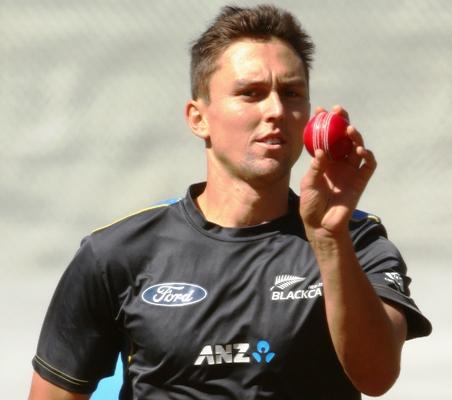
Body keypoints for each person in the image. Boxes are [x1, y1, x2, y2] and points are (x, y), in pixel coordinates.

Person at [28, 4, 431, 400]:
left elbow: (376, 377)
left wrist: (328, 240)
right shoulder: (117, 253)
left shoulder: (355, 240)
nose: (275, 110)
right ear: (197, 117)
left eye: (291, 93)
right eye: (250, 93)